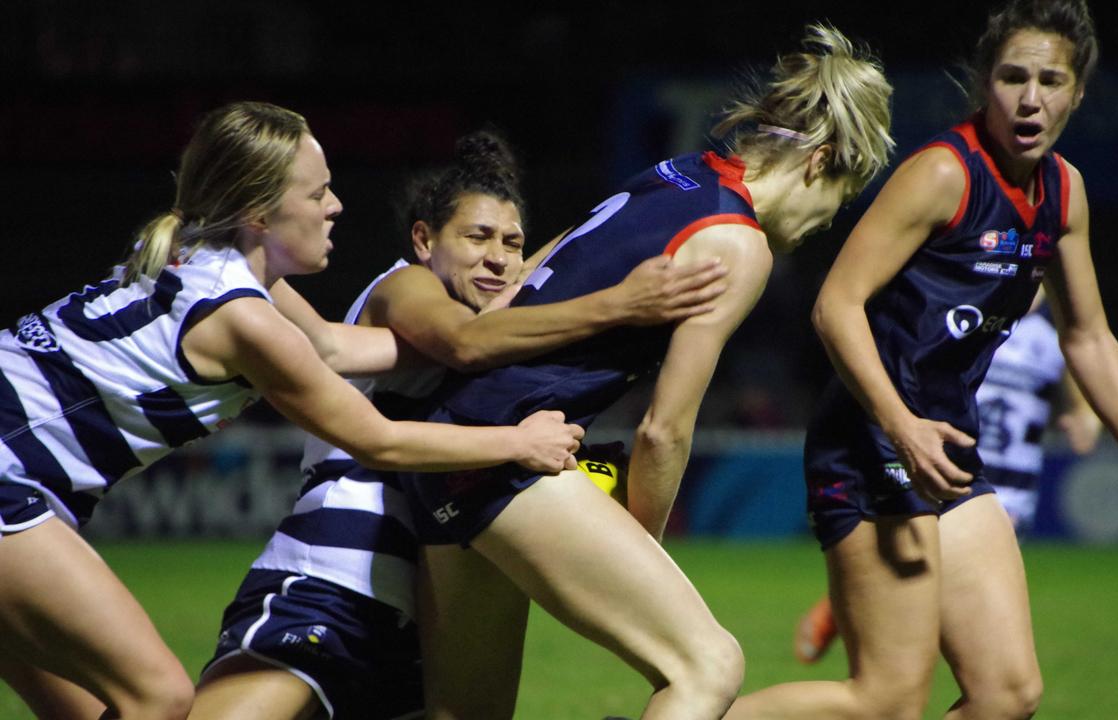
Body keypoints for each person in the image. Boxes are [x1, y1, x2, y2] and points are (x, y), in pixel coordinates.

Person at [0, 102, 584, 720]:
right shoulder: (243, 316)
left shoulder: (207, 260)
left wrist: (490, 324)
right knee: (159, 699)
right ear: (259, 212)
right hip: (9, 475)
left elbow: (334, 348)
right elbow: (376, 441)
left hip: (20, 477)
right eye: (319, 192)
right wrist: (517, 443)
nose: (335, 206)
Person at [399, 23, 894, 720]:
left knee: (465, 712)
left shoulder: (675, 174)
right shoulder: (738, 243)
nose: (823, 225)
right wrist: (641, 552)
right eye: (839, 201)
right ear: (821, 162)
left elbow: (519, 286)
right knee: (709, 667)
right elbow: (664, 431)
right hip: (510, 451)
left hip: (448, 443)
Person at [727, 2, 1118, 718]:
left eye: (1049, 80)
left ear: (1077, 94)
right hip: (872, 443)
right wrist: (901, 425)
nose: (1030, 98)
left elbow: (1088, 337)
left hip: (949, 449)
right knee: (884, 701)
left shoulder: (1064, 194)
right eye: (1012, 77)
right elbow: (836, 305)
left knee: (1007, 694)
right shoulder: (944, 174)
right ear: (983, 84)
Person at [188, 129, 728, 720]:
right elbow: (464, 343)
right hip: (331, 576)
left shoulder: (500, 342)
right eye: (477, 237)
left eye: (514, 243)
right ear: (423, 240)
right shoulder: (406, 287)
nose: (498, 256)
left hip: (414, 610)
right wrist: (623, 304)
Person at [792, 291, 1101, 663]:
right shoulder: (980, 300)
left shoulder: (1058, 320)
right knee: (930, 574)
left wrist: (1084, 413)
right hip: (954, 461)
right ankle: (854, 609)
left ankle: (852, 606)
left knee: (960, 586)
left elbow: (1079, 366)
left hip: (1017, 474)